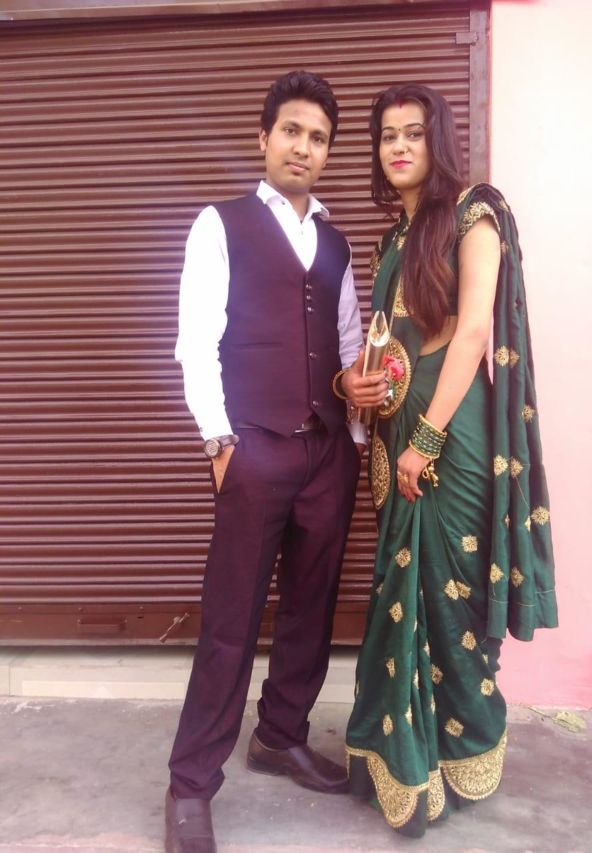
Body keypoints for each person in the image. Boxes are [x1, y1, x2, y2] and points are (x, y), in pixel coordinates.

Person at [340, 84, 558, 837]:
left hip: (451, 434)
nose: (398, 146)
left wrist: (428, 437)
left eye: (413, 133)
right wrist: (356, 385)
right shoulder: (389, 240)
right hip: (396, 433)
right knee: (401, 592)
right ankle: (403, 761)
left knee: (451, 591)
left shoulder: (474, 213)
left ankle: (460, 748)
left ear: (439, 140)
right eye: (386, 135)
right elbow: (383, 341)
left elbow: (470, 331)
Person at [166, 70, 367, 853]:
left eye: (318, 138)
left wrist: (354, 439)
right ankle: (190, 783)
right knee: (231, 620)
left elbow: (347, 345)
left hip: (326, 451)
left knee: (311, 609)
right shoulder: (221, 224)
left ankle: (280, 734)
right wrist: (220, 442)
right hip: (252, 447)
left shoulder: (336, 242)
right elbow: (196, 340)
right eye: (292, 131)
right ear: (264, 136)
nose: (303, 147)